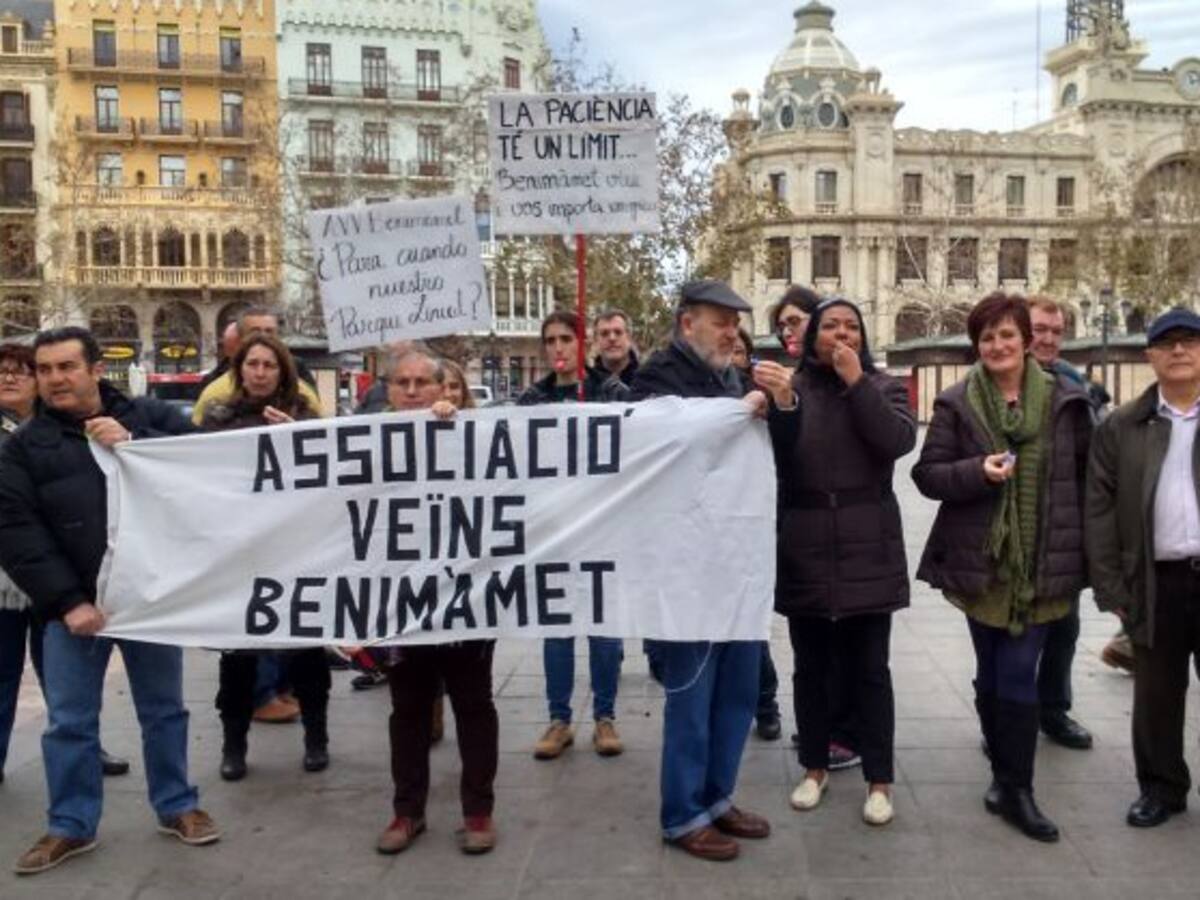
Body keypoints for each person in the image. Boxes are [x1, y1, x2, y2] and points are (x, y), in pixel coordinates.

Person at [0, 327, 219, 875]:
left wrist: (136, 443)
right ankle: (70, 824)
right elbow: (16, 529)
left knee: (164, 710)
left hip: (149, 598)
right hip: (75, 610)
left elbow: (210, 464)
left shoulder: (149, 417)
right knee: (70, 721)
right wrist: (68, 601)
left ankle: (178, 805)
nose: (55, 379)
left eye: (66, 367)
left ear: (96, 369)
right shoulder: (24, 447)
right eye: (45, 370)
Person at [913, 293, 1092, 843]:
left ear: (1026, 340)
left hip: (1043, 561)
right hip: (981, 563)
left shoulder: (1066, 398)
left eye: (1006, 335)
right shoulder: (958, 402)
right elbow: (928, 475)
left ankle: (1018, 790)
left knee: (1017, 672)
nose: (997, 346)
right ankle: (1001, 778)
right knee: (992, 671)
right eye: (986, 338)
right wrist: (976, 472)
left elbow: (1089, 478)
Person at [630, 279, 795, 862]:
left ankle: (718, 796)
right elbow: (661, 446)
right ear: (686, 325)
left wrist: (782, 404)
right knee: (692, 696)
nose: (732, 333)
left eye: (736, 323)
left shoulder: (732, 376)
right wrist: (737, 411)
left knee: (738, 693)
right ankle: (682, 815)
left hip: (736, 564)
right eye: (720, 322)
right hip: (687, 569)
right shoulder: (656, 378)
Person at [778, 298, 914, 827]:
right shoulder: (792, 389)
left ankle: (879, 780)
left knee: (870, 670)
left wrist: (857, 383)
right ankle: (814, 767)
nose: (840, 333)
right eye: (829, 325)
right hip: (805, 543)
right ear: (811, 336)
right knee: (810, 669)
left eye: (851, 326)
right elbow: (778, 455)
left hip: (867, 544)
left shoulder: (883, 387)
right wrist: (780, 406)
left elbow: (895, 440)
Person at [375, 346, 499, 856]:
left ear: (440, 387)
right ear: (388, 391)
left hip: (465, 598)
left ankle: (478, 812)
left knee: (473, 706)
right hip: (403, 601)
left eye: (420, 382)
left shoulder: (465, 432)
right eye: (400, 383)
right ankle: (407, 811)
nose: (410, 391)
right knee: (407, 709)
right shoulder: (366, 440)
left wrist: (455, 426)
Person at [1086, 307, 1200, 828]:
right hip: (1156, 580)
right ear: (1150, 354)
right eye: (1168, 343)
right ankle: (1160, 788)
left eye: (1190, 341)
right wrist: (1111, 585)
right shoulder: (1122, 425)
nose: (1180, 351)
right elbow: (1100, 508)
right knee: (1156, 695)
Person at [200, 334, 331, 781]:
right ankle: (233, 745)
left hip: (296, 553)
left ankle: (317, 737)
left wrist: (296, 440)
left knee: (306, 652)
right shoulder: (218, 419)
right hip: (242, 555)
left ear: (282, 372)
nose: (259, 372)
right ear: (240, 370)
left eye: (268, 365)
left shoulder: (305, 417)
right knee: (237, 656)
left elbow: (328, 479)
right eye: (251, 364)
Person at [0, 343, 132, 784]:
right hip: (7, 582)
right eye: (1, 372)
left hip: (55, 582)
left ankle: (86, 751)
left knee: (64, 685)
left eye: (20, 371)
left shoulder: (61, 429)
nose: (10, 379)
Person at [520, 311, 626, 760]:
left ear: (583, 344)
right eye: (550, 340)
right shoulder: (532, 398)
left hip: (603, 527)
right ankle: (559, 719)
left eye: (566, 338)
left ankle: (605, 717)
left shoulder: (611, 392)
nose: (558, 348)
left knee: (604, 629)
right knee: (558, 628)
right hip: (554, 530)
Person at [1025, 296, 1096, 750]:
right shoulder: (994, 380)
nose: (1048, 338)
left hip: (1064, 525)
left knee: (1064, 627)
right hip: (1013, 525)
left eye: (1056, 330)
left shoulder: (1074, 383)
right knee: (1006, 636)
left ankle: (1054, 709)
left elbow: (1096, 458)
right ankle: (1001, 720)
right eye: (1039, 329)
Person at [191, 306, 319, 425]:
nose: (260, 373)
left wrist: (293, 432)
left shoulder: (305, 402)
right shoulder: (214, 399)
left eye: (269, 332)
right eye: (255, 332)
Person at [592, 309, 639, 386]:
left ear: (629, 337)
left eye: (618, 332)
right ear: (595, 340)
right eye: (604, 334)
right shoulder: (585, 386)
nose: (612, 338)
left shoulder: (648, 380)